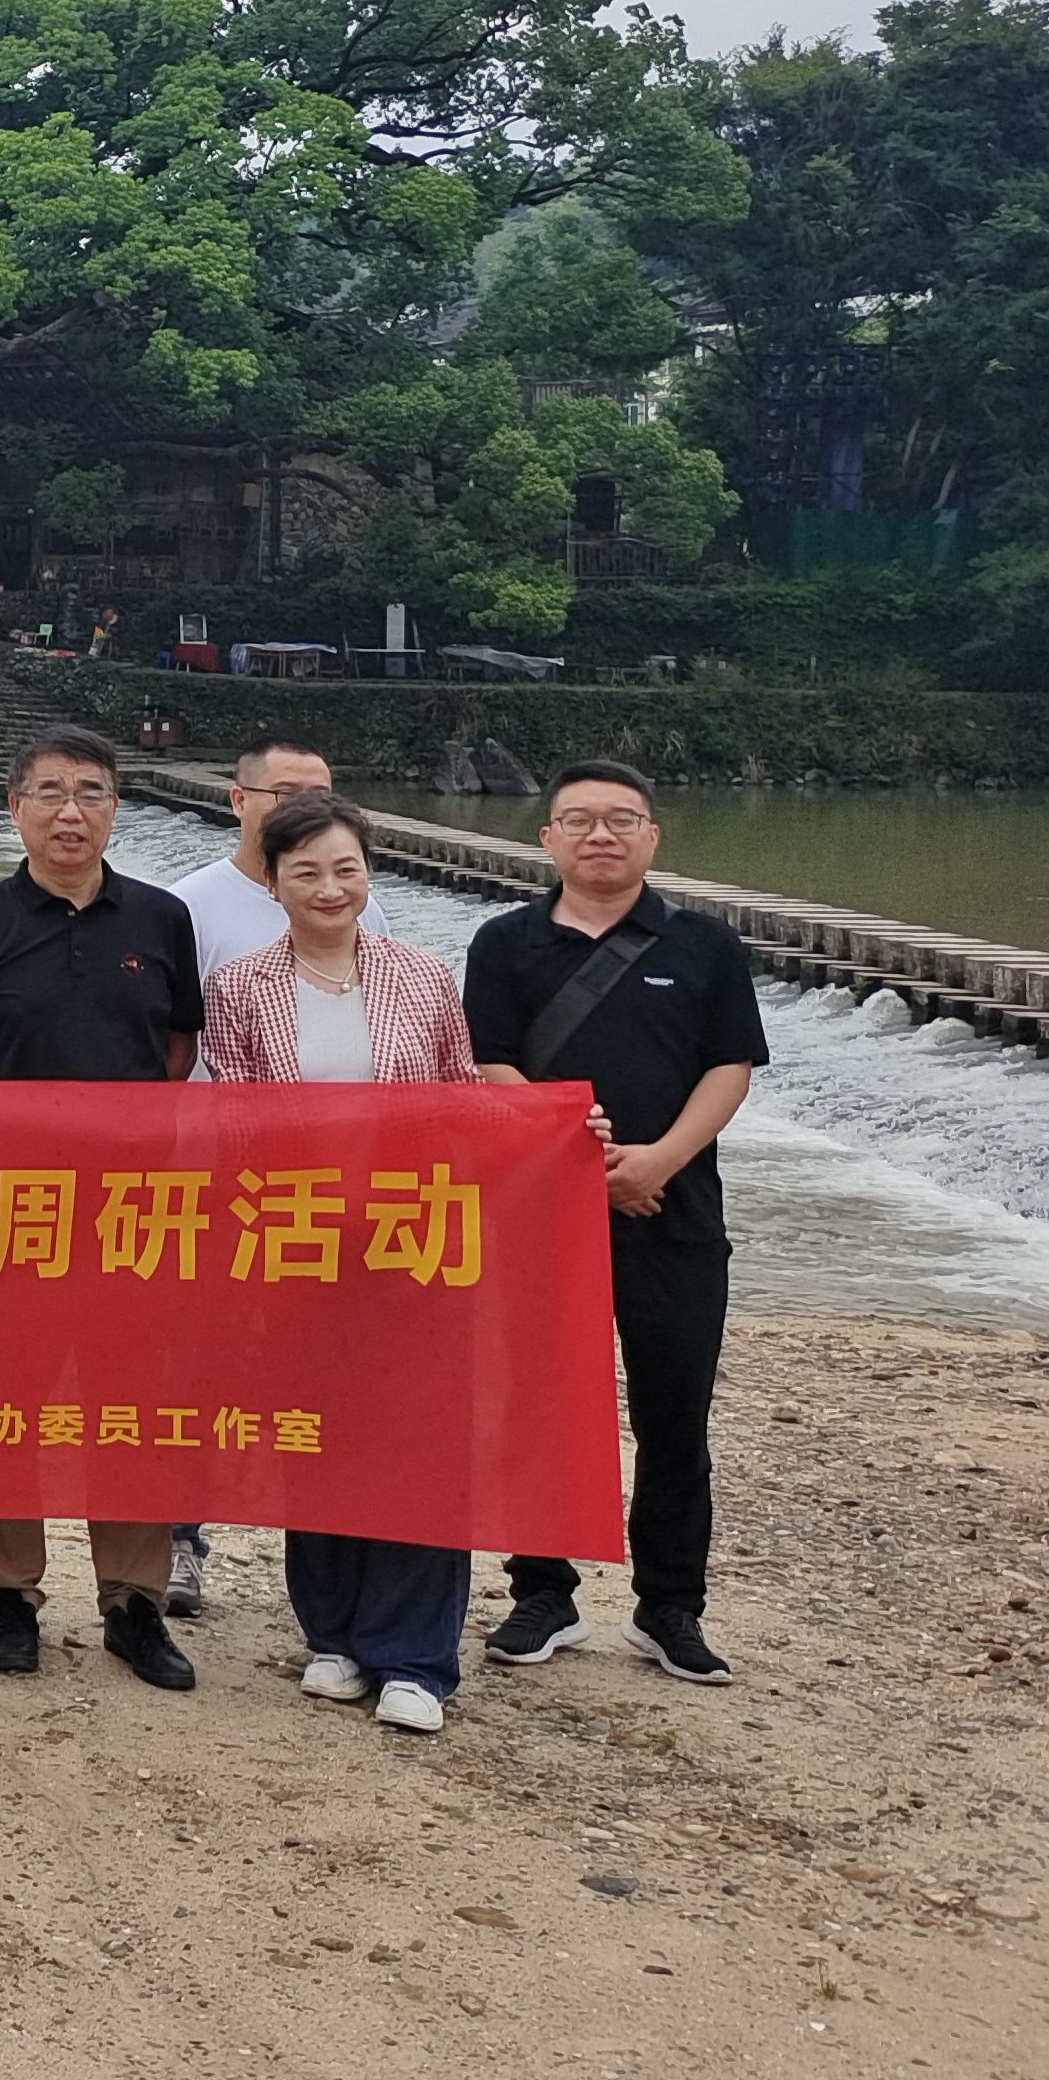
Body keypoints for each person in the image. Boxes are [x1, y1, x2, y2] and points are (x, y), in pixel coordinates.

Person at [0, 723, 203, 1692]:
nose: (70, 812)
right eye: (49, 792)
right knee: (7, 1396)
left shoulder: (161, 919)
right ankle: (10, 1592)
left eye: (91, 793)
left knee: (132, 1398)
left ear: (116, 809)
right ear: (16, 809)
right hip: (14, 1209)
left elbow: (176, 1050)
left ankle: (133, 1601)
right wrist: (1, 1144)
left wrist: (121, 1139)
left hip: (131, 1208)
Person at [465, 761, 767, 1686]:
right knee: (540, 1406)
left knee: (676, 1416)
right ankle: (542, 1593)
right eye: (580, 820)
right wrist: (582, 1165)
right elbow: (489, 1066)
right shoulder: (505, 944)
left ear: (652, 836)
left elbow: (730, 1067)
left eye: (622, 819)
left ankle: (670, 1607)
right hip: (541, 1216)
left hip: (675, 1213)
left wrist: (659, 1160)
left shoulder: (705, 944)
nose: (601, 835)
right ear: (548, 838)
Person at [194, 790, 488, 1732]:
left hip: (411, 1244)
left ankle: (416, 1659)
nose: (330, 888)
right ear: (273, 881)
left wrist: (559, 1136)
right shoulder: (240, 986)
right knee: (315, 1435)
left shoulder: (424, 976)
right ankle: (335, 1636)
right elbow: (235, 1117)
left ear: (370, 872)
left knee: (419, 1443)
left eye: (346, 869)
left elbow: (462, 1098)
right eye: (307, 871)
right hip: (300, 1245)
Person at [155, 735, 372, 1616]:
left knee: (327, 1375)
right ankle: (180, 1540)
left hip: (338, 1195)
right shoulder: (190, 907)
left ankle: (335, 1558)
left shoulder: (360, 910)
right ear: (239, 800)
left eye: (319, 791)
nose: (302, 806)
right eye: (284, 793)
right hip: (212, 1181)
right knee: (198, 1368)